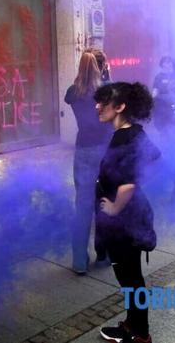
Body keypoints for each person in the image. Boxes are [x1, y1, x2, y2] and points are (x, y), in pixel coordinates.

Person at [94, 82, 159, 343]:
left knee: (130, 279)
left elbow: (128, 183)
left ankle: (139, 333)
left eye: (104, 102)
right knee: (133, 278)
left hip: (124, 223)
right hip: (134, 218)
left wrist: (113, 208)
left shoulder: (124, 137)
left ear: (121, 107)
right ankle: (134, 324)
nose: (98, 107)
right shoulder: (136, 133)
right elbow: (154, 157)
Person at [64, 50, 112, 275]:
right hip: (104, 151)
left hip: (83, 149)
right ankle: (103, 255)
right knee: (104, 203)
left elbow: (71, 95)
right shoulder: (106, 91)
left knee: (82, 206)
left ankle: (79, 261)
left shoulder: (74, 91)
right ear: (101, 67)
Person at [151, 56, 174, 132]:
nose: (170, 64)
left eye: (170, 62)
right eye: (167, 62)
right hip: (163, 107)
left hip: (174, 107)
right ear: (162, 64)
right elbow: (155, 91)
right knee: (164, 130)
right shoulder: (159, 77)